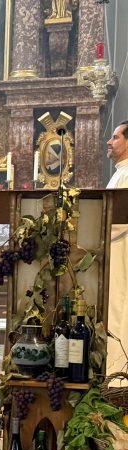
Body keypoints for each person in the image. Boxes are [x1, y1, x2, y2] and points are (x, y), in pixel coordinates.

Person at [105, 122, 128, 375]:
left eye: (115, 137)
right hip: (115, 248)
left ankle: (118, 377)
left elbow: (119, 220)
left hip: (122, 250)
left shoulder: (126, 174)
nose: (109, 142)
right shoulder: (120, 172)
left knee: (120, 309)